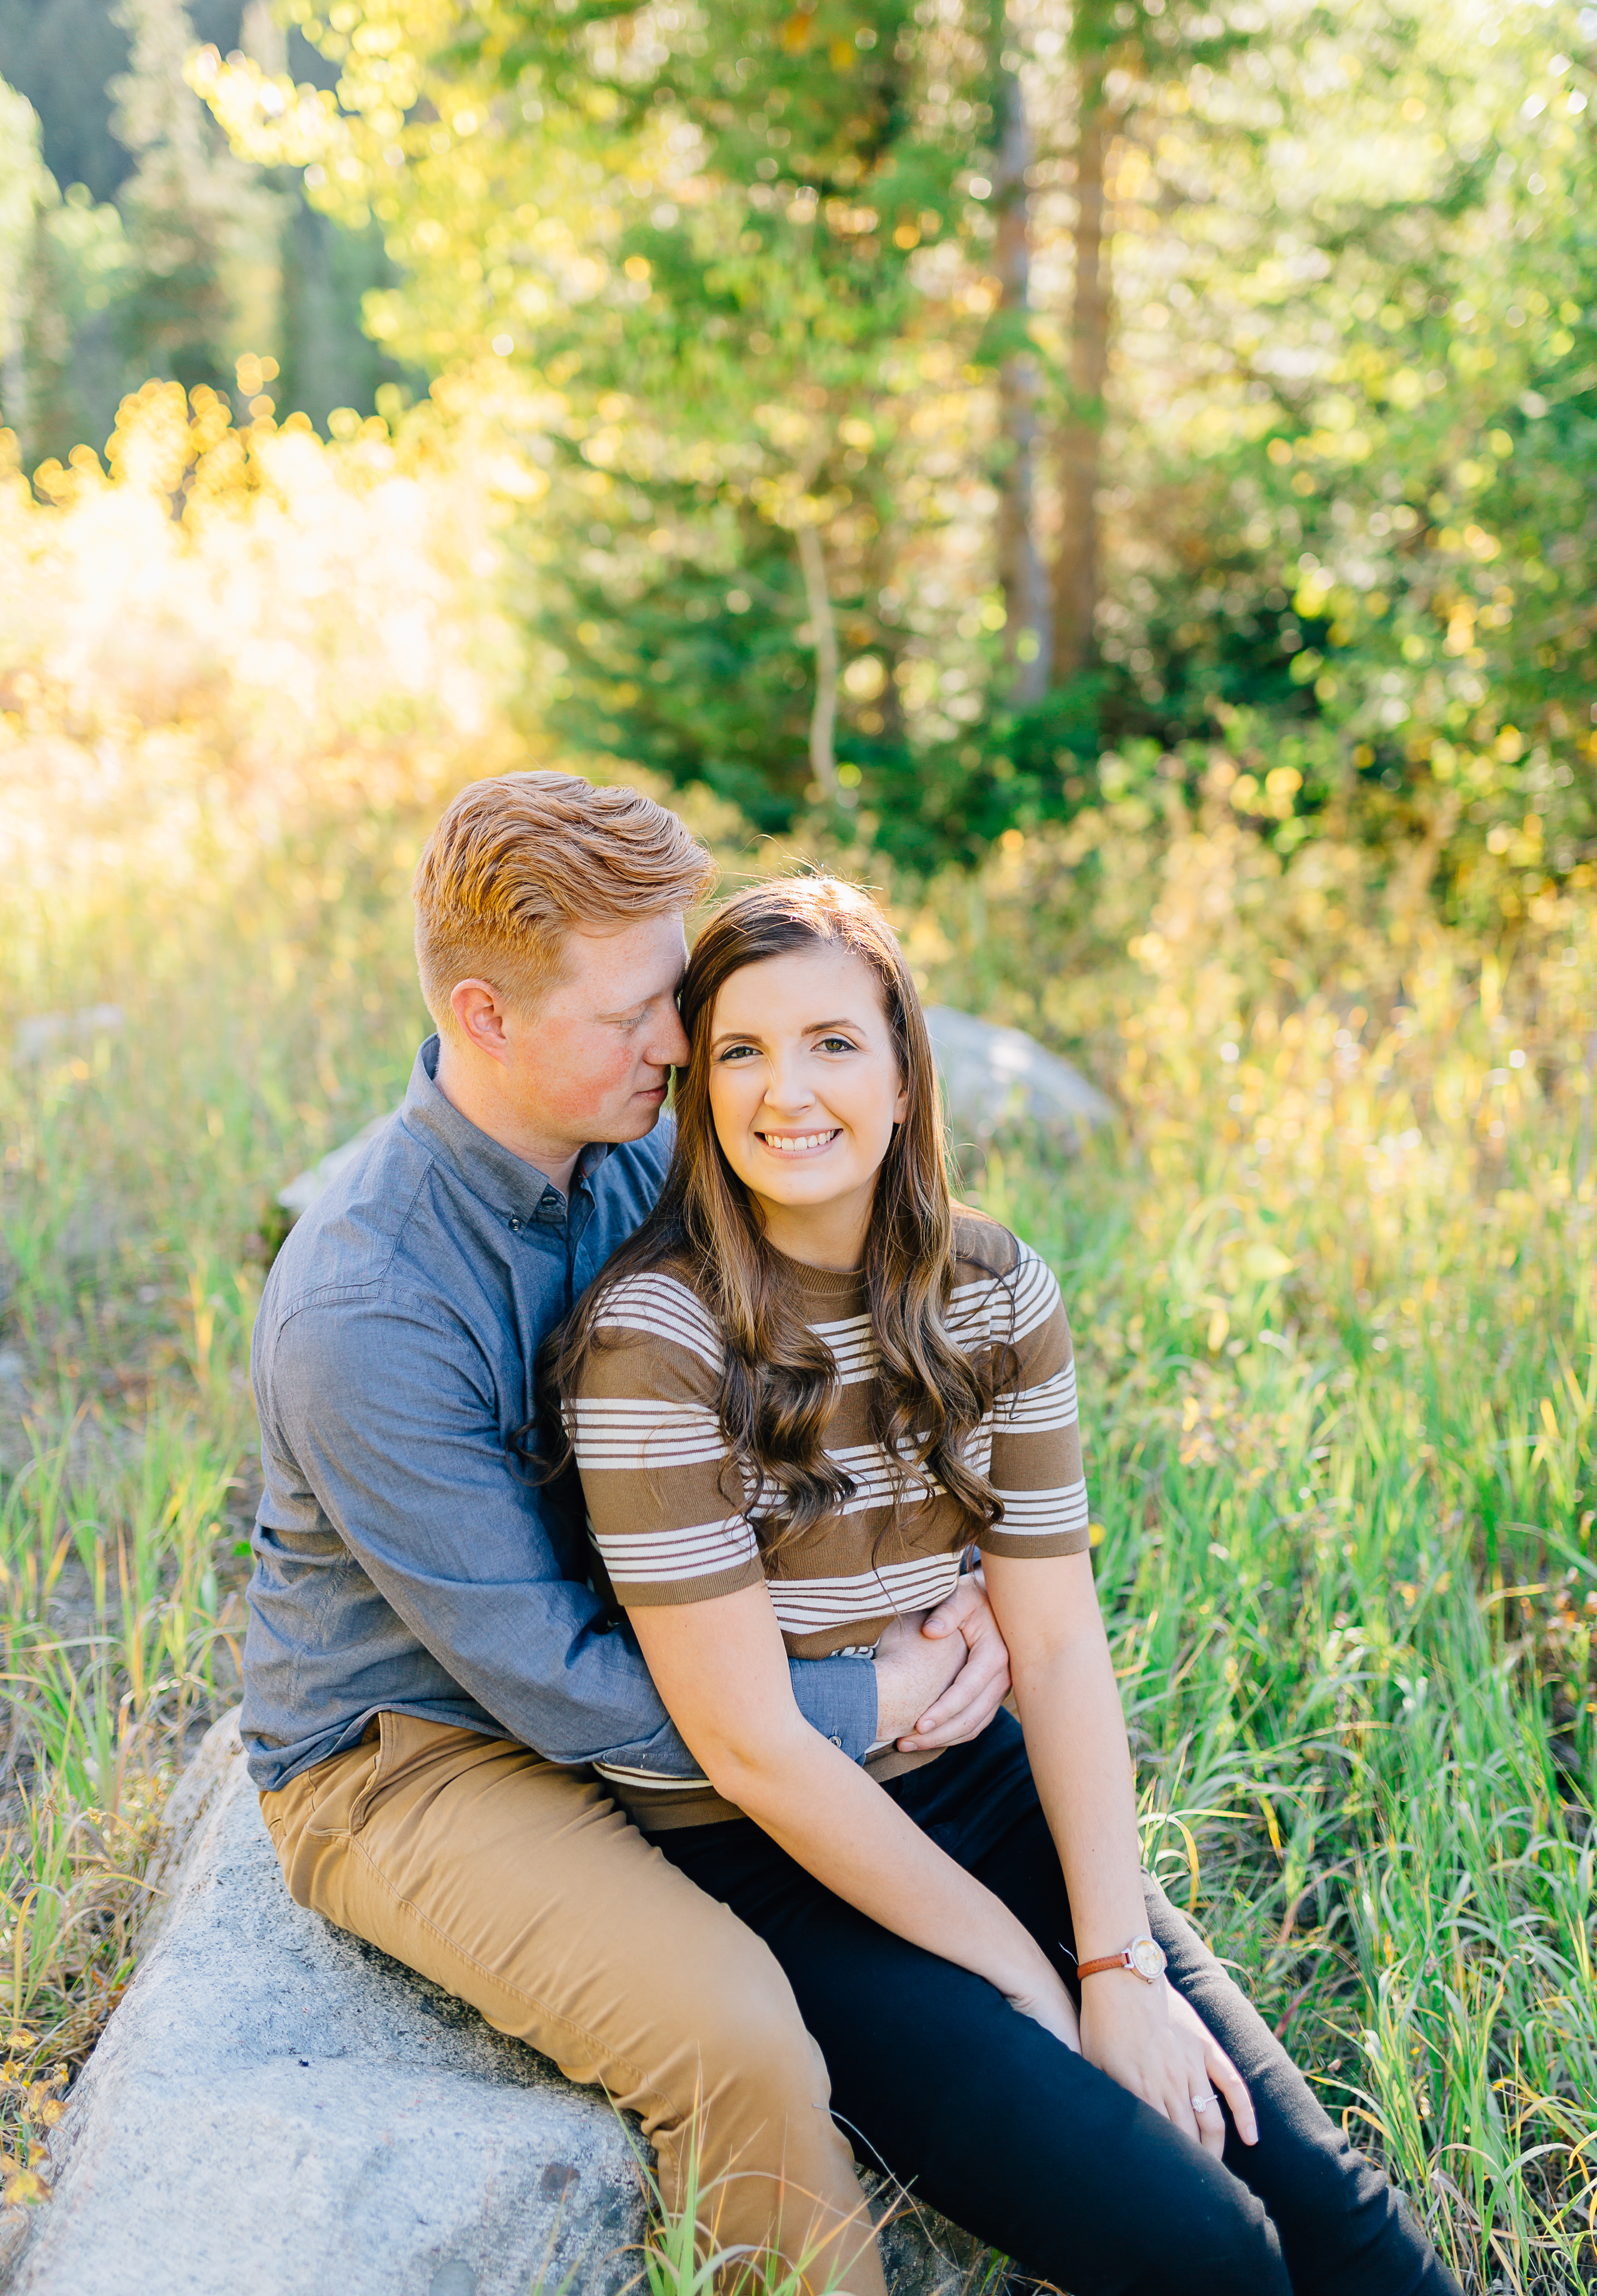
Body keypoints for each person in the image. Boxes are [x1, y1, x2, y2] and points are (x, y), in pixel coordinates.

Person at [551, 875, 1463, 2296]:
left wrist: (1116, 1963)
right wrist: (1024, 1980)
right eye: (739, 1049)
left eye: (832, 1043)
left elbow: (1054, 1638)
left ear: (907, 1072)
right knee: (1204, 2251)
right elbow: (751, 1748)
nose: (785, 1090)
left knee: (1340, 2223)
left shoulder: (992, 1288)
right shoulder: (651, 1343)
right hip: (775, 1864)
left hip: (987, 1785)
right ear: (699, 1085)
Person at [243, 772, 1018, 2296]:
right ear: (485, 1014)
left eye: (675, 995)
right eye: (631, 1017)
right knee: (734, 2031)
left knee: (985, 1825)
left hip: (675, 1649)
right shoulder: (366, 1304)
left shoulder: (633, 1151)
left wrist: (960, 1584)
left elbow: (835, 1348)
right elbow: (540, 1673)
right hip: (423, 1747)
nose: (677, 1044)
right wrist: (861, 1704)